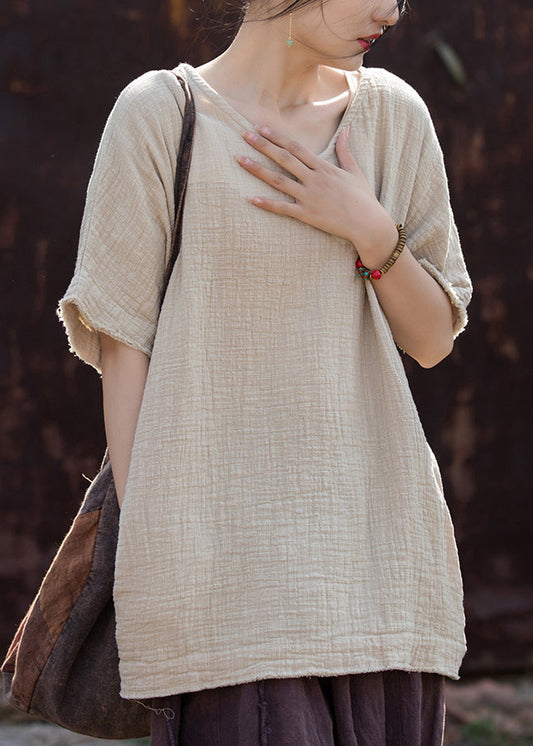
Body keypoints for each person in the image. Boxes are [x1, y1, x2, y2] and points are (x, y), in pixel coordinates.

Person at [59, 0, 472, 742]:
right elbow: (126, 354)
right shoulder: (162, 114)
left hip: (380, 565)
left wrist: (370, 230)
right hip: (222, 575)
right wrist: (157, 558)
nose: (391, 10)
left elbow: (434, 337)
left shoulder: (394, 118)